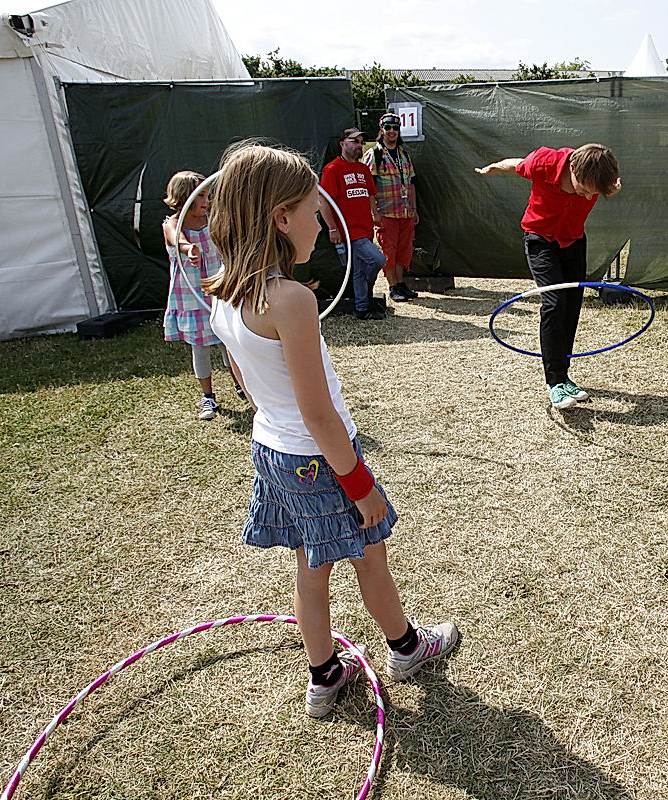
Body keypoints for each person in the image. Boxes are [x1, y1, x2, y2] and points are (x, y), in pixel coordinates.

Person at [204, 142, 458, 716]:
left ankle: (324, 675)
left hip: (271, 449)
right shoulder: (288, 300)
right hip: (318, 456)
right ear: (280, 218)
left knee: (311, 564)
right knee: (371, 556)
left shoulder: (223, 291)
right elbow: (318, 415)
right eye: (314, 209)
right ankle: (407, 647)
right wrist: (358, 481)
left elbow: (244, 382)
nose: (322, 221)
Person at [475, 144, 622, 409]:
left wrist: (609, 187)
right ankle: (554, 382)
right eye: (584, 187)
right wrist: (493, 167)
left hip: (574, 241)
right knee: (555, 304)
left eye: (593, 191)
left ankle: (564, 376)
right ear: (573, 168)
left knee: (572, 305)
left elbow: (608, 186)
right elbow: (517, 163)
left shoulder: (600, 180)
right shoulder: (544, 162)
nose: (588, 195)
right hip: (540, 239)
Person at [162, 170, 243, 420]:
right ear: (186, 196)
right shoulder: (173, 224)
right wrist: (189, 249)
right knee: (200, 346)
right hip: (191, 293)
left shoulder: (213, 219)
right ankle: (208, 396)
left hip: (217, 289)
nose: (207, 201)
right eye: (203, 196)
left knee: (228, 341)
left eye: (207, 195)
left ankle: (241, 384)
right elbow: (178, 240)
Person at [320, 128, 387, 320]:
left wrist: (376, 214)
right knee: (377, 260)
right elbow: (324, 201)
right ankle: (366, 293)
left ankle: (362, 308)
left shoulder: (363, 169)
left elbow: (370, 194)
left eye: (361, 142)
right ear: (343, 144)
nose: (359, 145)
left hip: (365, 228)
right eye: (354, 141)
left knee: (358, 270)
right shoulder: (332, 169)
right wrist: (333, 228)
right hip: (349, 232)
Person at [363, 112, 419, 302]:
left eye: (395, 128)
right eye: (388, 128)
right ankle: (392, 286)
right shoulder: (374, 155)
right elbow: (368, 186)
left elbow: (411, 183)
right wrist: (374, 212)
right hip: (386, 211)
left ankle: (401, 283)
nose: (392, 131)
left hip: (405, 210)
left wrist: (414, 208)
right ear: (382, 130)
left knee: (404, 249)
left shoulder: (403, 154)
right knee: (389, 249)